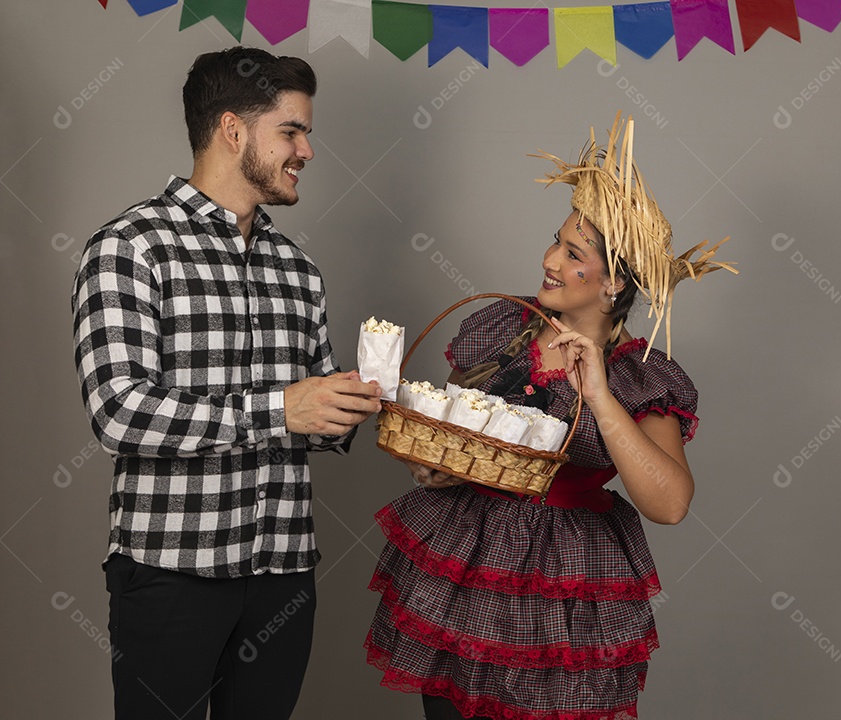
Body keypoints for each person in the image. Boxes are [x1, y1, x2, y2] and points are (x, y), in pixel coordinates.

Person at [364, 114, 737, 719]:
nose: (549, 259)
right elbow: (455, 437)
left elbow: (669, 504)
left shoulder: (639, 375)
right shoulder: (498, 330)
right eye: (555, 241)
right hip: (467, 563)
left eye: (573, 252)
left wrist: (600, 394)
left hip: (565, 583)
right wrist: (434, 469)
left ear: (614, 281)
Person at [71, 47, 382, 720]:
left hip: (283, 575)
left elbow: (313, 418)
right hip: (170, 575)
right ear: (233, 130)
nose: (307, 150)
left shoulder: (297, 268)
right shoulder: (129, 247)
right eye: (292, 131)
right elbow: (120, 412)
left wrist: (360, 407)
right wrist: (281, 409)